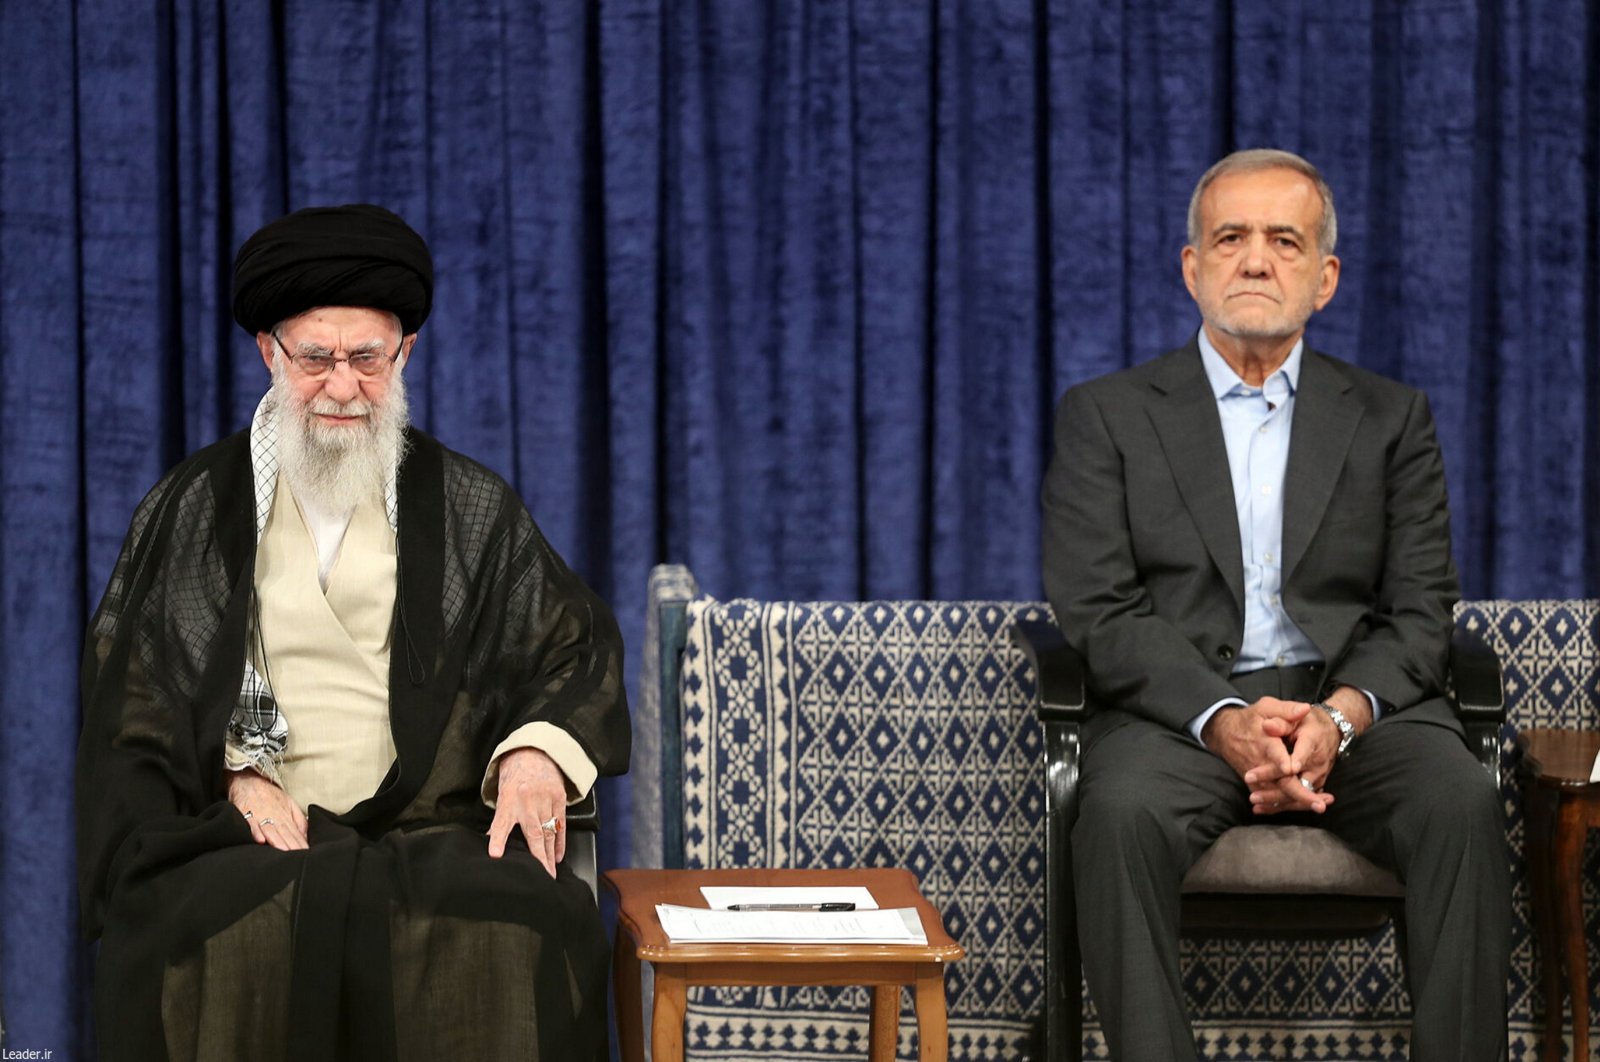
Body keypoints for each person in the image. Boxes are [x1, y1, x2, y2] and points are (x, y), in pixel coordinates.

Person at [76, 204, 630, 1061]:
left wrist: (535, 751)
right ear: (269, 352)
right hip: (254, 830)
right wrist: (231, 775)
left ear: (403, 354)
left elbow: (570, 645)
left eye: (367, 358)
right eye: (316, 358)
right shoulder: (196, 508)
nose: (342, 386)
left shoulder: (466, 504)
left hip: (427, 825)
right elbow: (137, 696)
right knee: (221, 926)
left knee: (516, 921)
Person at [1041, 150, 1510, 1060]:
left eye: (1284, 240)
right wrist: (1224, 720)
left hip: (1355, 711)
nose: (1255, 259)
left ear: (1324, 278)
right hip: (1179, 713)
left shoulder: (1391, 418)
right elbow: (1098, 606)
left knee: (1461, 798)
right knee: (1117, 812)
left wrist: (1337, 717)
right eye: (1231, 237)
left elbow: (1419, 609)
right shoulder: (1107, 415)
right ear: (1191, 267)